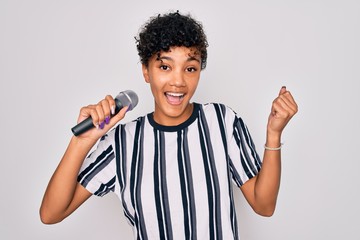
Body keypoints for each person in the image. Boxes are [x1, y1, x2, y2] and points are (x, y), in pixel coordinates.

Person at [40, 11, 298, 239]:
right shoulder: (122, 142)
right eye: (165, 66)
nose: (178, 82)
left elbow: (264, 206)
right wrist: (81, 142)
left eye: (190, 68)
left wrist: (273, 135)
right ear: (146, 71)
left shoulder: (222, 122)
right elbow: (51, 213)